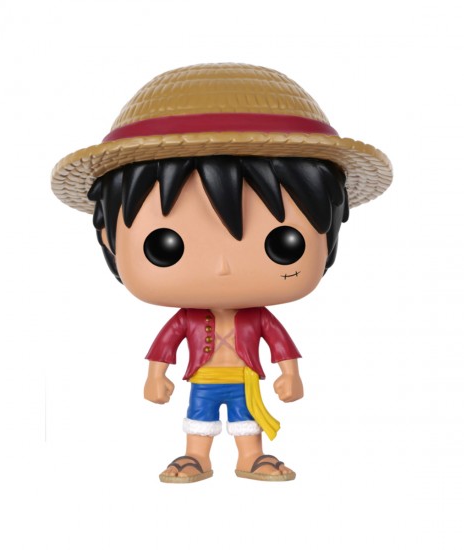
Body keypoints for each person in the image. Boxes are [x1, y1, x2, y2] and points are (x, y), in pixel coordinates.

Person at [51, 63, 392, 483]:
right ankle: (197, 457)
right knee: (199, 421)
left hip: (245, 378)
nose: (222, 267)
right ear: (109, 238)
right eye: (165, 246)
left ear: (330, 232)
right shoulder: (187, 320)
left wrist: (290, 374)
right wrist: (156, 376)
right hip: (203, 379)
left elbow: (280, 345)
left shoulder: (257, 318)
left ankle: (251, 458)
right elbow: (165, 347)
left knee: (248, 422)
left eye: (283, 243)